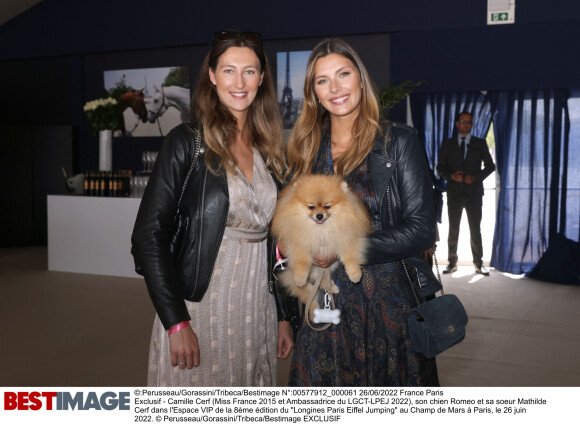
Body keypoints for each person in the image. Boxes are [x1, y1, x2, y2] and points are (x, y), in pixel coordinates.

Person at [131, 30, 294, 387]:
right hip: (200, 307)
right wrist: (176, 321)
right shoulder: (187, 142)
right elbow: (148, 235)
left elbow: (277, 241)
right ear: (212, 76)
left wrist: (284, 314)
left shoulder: (269, 149)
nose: (239, 82)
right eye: (229, 70)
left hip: (257, 309)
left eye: (249, 71)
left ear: (262, 78)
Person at [283, 38, 439, 386]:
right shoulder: (307, 149)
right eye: (323, 80)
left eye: (343, 74)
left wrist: (342, 248)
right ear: (314, 93)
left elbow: (421, 229)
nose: (335, 87)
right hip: (324, 305)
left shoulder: (397, 141)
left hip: (388, 306)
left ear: (360, 79)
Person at [436, 111, 495, 275]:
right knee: (453, 229)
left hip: (474, 193)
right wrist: (451, 176)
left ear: (472, 124)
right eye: (463, 121)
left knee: (475, 229)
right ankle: (451, 262)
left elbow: (491, 166)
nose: (466, 124)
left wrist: (476, 177)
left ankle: (479, 263)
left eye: (469, 122)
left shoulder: (480, 143)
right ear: (457, 124)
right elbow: (440, 167)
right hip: (454, 193)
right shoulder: (447, 144)